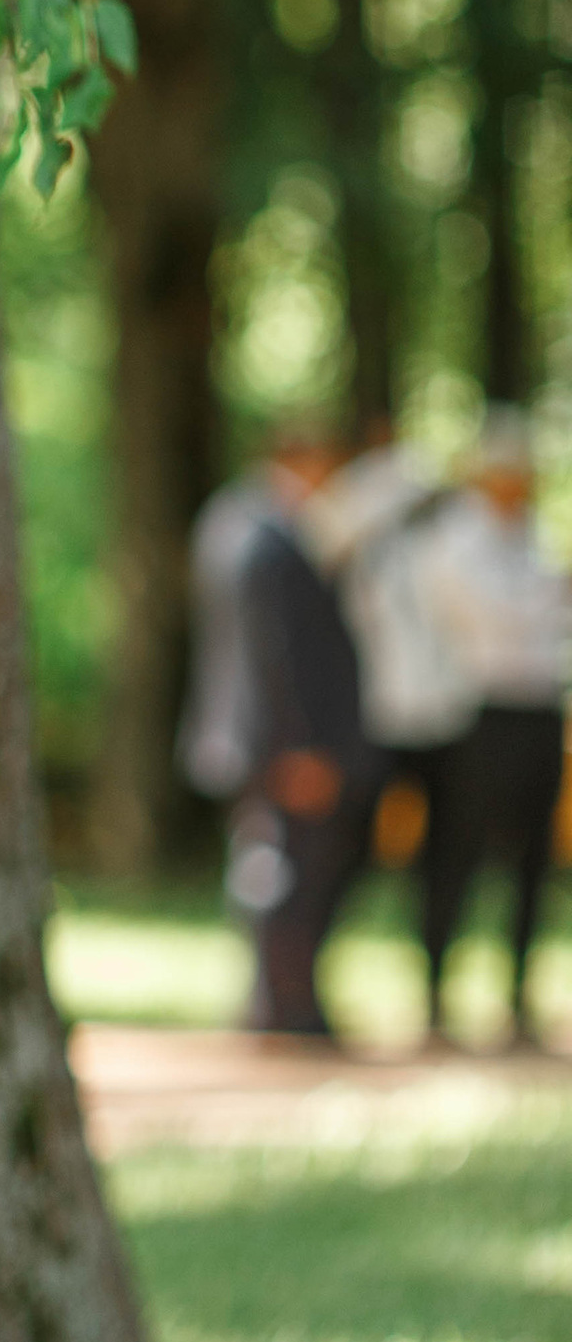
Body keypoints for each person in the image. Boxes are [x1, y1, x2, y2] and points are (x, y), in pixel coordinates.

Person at [210, 433, 381, 1039]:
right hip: (285, 748)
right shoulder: (269, 544)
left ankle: (286, 998)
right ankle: (281, 1004)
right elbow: (272, 658)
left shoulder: (238, 528)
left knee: (288, 868)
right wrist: (298, 747)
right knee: (284, 873)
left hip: (270, 742)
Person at [411, 415, 569, 1048]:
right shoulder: (451, 541)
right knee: (458, 853)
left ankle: (518, 998)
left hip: (539, 710)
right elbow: (494, 620)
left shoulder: (531, 537)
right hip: (479, 714)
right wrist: (546, 601)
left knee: (535, 860)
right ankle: (434, 996)